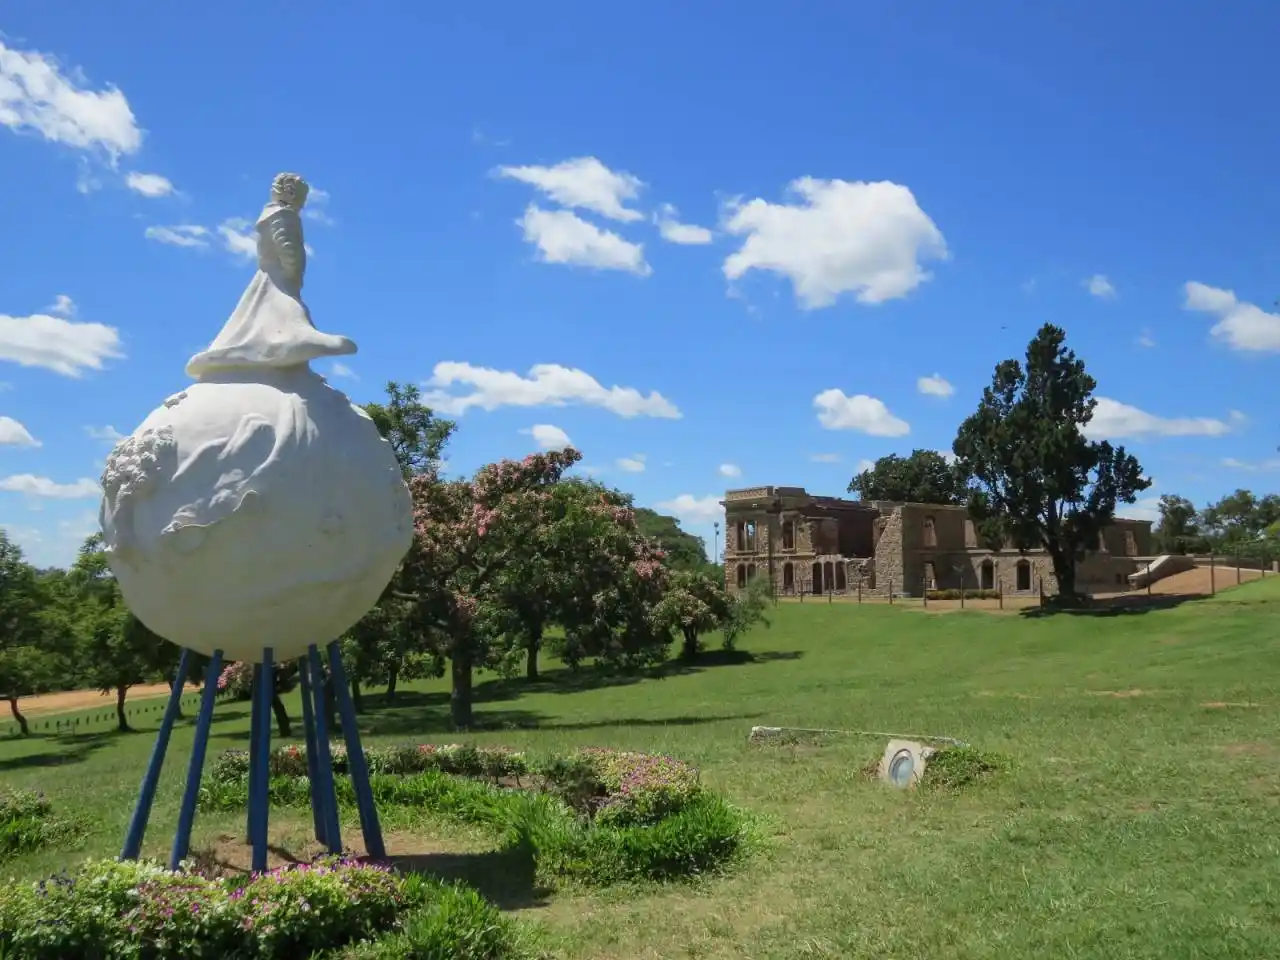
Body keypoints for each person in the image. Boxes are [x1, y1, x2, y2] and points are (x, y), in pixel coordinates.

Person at [186, 172, 355, 378]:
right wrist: (294, 274)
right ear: (292, 193)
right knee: (288, 310)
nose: (304, 202)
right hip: (279, 275)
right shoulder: (284, 215)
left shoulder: (269, 215)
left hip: (268, 274)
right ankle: (300, 340)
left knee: (258, 317)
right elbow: (288, 248)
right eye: (303, 196)